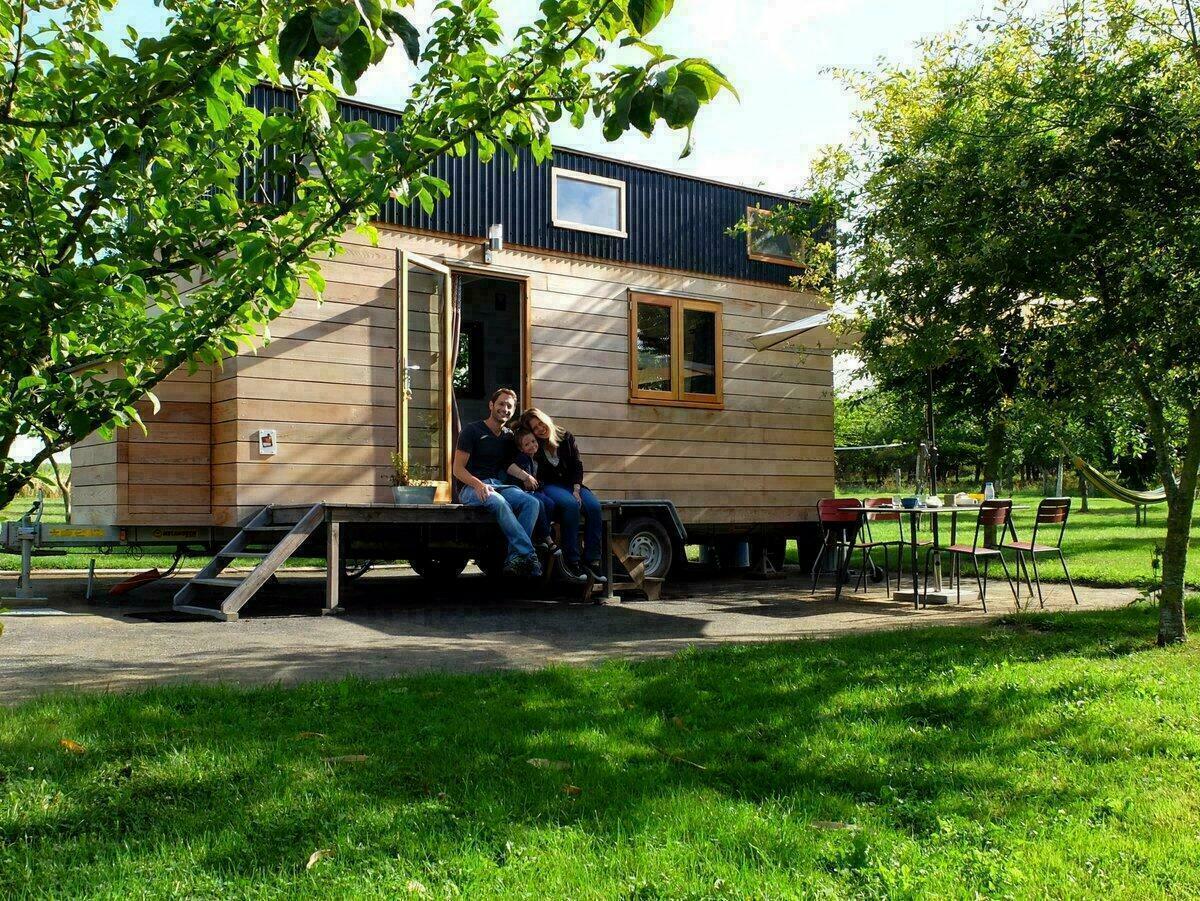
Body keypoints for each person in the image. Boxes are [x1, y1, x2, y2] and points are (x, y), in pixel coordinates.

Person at [453, 388, 542, 577]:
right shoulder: (472, 430)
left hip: (498, 485)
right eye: (501, 403)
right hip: (471, 488)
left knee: (531, 502)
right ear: (491, 405)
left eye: (510, 406)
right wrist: (478, 484)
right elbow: (457, 470)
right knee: (499, 502)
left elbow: (508, 464)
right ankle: (528, 553)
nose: (505, 408)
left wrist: (526, 477)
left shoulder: (509, 436)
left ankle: (516, 557)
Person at [517, 408, 607, 584]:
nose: (540, 429)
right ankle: (572, 560)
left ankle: (592, 560)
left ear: (546, 419)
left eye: (540, 423)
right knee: (571, 505)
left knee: (594, 507)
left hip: (571, 484)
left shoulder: (566, 436)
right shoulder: (536, 445)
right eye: (535, 428)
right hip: (550, 486)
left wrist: (576, 489)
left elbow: (577, 465)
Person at [505, 429, 587, 585]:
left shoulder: (536, 458)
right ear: (521, 448)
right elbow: (516, 475)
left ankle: (544, 532)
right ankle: (546, 538)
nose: (531, 446)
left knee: (549, 503)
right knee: (541, 503)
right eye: (527, 444)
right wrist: (527, 481)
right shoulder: (522, 459)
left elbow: (539, 479)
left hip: (534, 491)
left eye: (533, 442)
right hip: (521, 492)